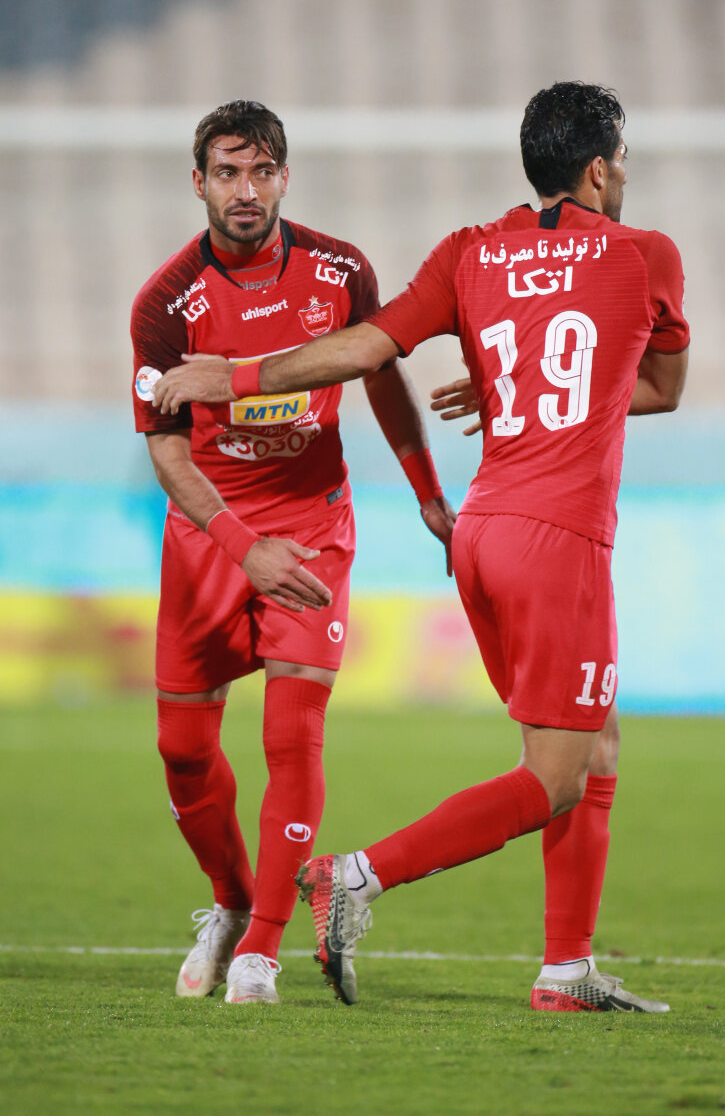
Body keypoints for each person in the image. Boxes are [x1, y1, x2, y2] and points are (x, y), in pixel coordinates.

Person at [153, 81, 689, 1013]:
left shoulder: (468, 251)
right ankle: (355, 876)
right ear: (601, 170)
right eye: (624, 162)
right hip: (559, 537)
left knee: (593, 745)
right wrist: (526, 390)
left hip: (480, 531)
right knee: (556, 775)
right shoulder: (647, 254)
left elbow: (364, 349)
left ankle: (566, 971)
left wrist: (235, 376)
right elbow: (663, 387)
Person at [131, 100, 455, 1004]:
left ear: (285, 176)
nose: (246, 190)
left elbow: (381, 375)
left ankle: (262, 949)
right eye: (227, 173)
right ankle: (232, 901)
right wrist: (244, 549)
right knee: (182, 750)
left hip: (313, 526)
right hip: (210, 536)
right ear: (199, 183)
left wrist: (428, 492)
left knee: (292, 735)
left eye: (262, 171)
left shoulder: (340, 271)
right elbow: (167, 453)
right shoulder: (164, 304)